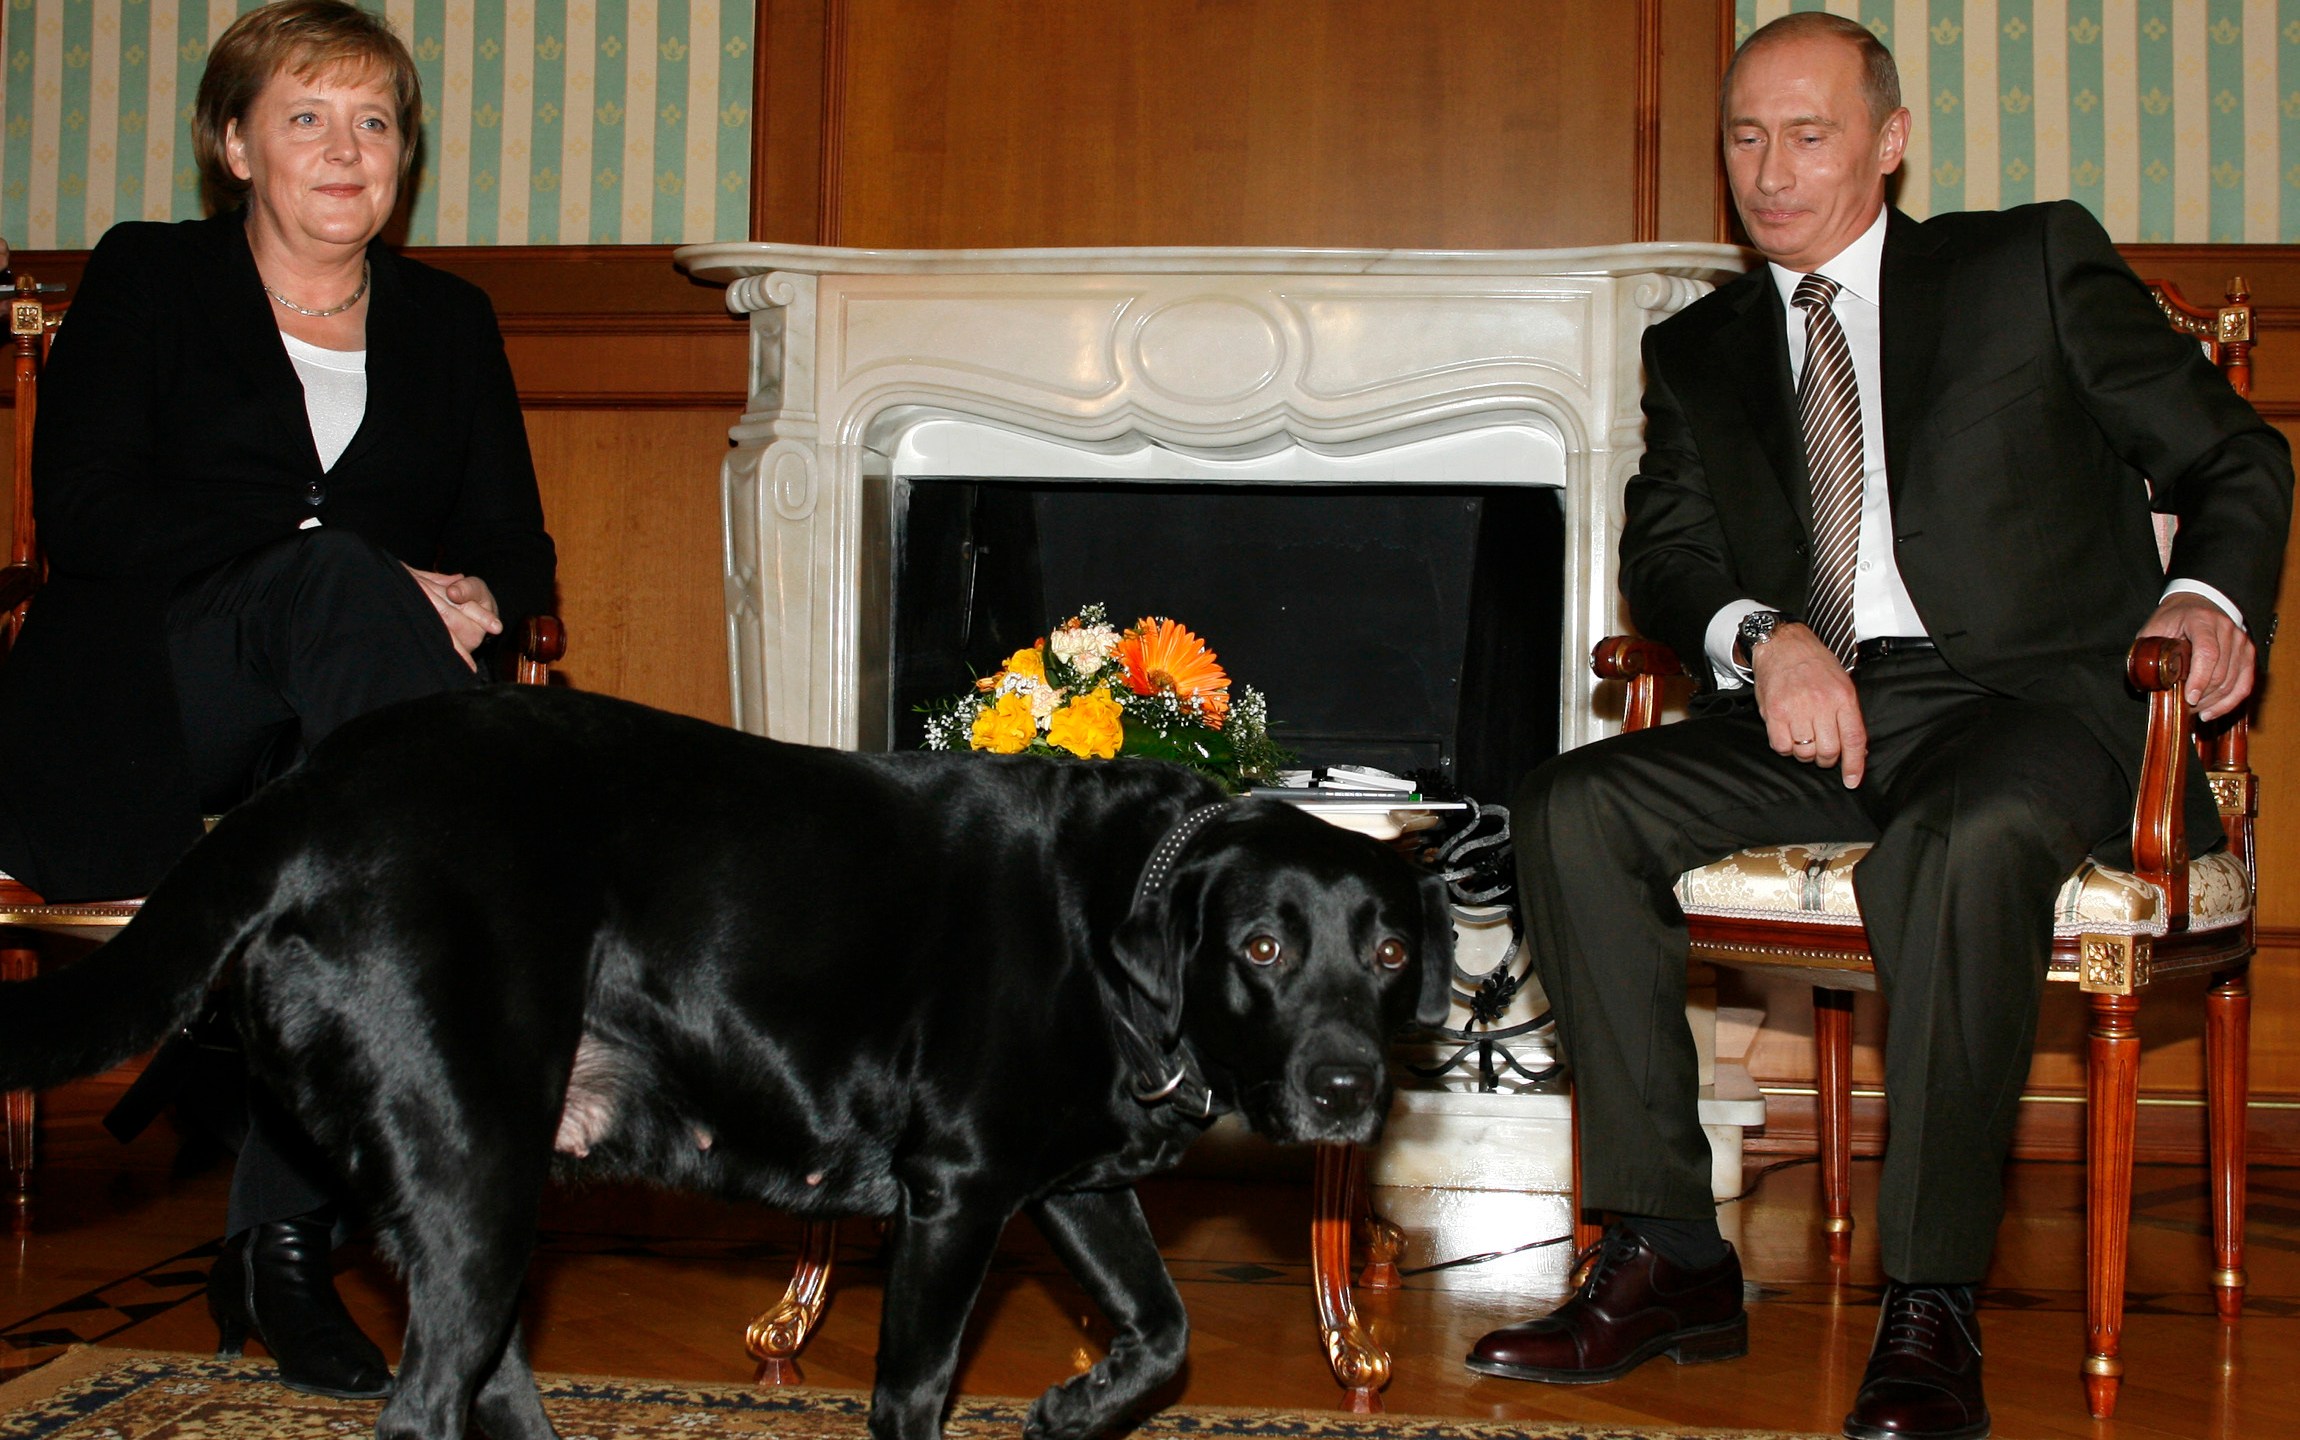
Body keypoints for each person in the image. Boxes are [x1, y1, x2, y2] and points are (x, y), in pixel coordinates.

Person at [1467, 14, 2290, 1440]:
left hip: (2032, 705)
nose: (1770, 171)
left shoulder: (2023, 266)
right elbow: (1664, 557)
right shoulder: (1702, 346)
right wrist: (1761, 636)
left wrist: (2207, 597)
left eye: (1810, 133)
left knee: (1958, 842)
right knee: (1571, 803)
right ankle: (1667, 1252)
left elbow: (2234, 452)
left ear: (1891, 142)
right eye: (1743, 137)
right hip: (1827, 711)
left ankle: (1930, 1298)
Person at [0, 0, 554, 1400]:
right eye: (306, 116)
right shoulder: (149, 278)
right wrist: (344, 564)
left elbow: (517, 550)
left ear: (405, 156)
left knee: (360, 864)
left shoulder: (450, 322)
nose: (345, 148)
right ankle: (515, 989)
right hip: (147, 697)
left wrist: (482, 594)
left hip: (335, 733)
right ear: (234, 142)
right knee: (369, 672)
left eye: (376, 122)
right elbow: (87, 511)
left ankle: (281, 1250)